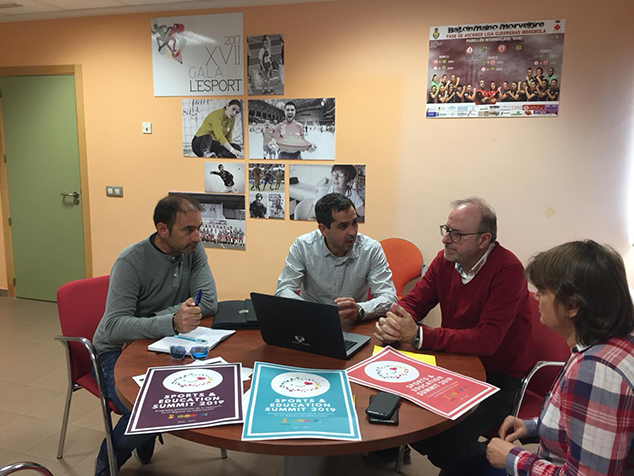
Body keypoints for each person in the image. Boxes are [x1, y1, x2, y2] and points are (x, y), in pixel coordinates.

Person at [374, 197, 533, 476]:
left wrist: (420, 336)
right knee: (404, 416)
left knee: (446, 442)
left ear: (484, 239)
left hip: (498, 376)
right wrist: (395, 320)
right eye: (446, 230)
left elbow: (487, 340)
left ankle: (495, 460)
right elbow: (416, 301)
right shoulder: (445, 259)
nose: (446, 239)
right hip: (454, 363)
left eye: (456, 234)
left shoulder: (508, 270)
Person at [92, 194, 218, 476]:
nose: (197, 237)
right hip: (116, 350)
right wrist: (171, 320)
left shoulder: (193, 250)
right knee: (152, 408)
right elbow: (114, 327)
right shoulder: (131, 261)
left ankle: (143, 435)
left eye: (199, 228)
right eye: (188, 230)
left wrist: (167, 321)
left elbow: (208, 301)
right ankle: (109, 458)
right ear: (162, 229)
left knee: (195, 394)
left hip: (165, 342)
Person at [486, 240, 634, 475]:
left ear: (572, 305)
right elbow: (585, 426)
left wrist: (512, 458)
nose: (536, 297)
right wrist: (533, 427)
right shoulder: (611, 344)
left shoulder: (595, 372)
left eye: (543, 291)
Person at [275, 193, 397, 322]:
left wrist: (360, 310)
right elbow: (283, 290)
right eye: (343, 226)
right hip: (311, 321)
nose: (353, 232)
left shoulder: (370, 249)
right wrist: (312, 311)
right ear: (323, 229)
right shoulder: (303, 246)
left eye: (354, 223)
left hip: (353, 324)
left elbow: (389, 297)